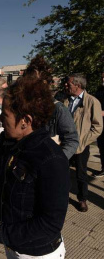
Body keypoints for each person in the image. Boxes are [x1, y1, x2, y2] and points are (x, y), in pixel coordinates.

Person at [0, 76, 70, 258]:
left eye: (4, 115)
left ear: (25, 121)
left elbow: (49, 225)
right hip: (13, 246)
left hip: (37, 253)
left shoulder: (51, 159)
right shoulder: (7, 141)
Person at [24, 54, 79, 159]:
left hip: (48, 168)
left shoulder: (58, 108)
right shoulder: (22, 105)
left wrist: (58, 161)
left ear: (47, 84)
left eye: (38, 83)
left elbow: (71, 140)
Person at [64, 73, 103, 211]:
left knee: (81, 174)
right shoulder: (66, 101)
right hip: (65, 145)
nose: (65, 85)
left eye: (69, 83)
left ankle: (82, 199)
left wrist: (83, 141)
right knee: (63, 172)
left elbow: (97, 127)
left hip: (82, 146)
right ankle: (62, 197)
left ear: (78, 85)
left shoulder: (92, 102)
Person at [93, 71, 104, 177]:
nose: (103, 80)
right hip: (100, 123)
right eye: (102, 77)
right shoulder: (100, 90)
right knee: (101, 146)